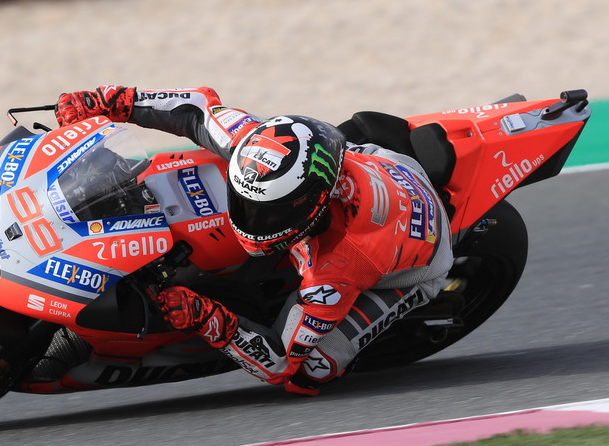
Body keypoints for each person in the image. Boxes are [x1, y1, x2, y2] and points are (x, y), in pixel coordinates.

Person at [55, 86, 454, 395]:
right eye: (247, 203)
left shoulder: (336, 268)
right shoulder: (253, 139)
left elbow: (279, 364)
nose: (251, 218)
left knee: (311, 374)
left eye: (269, 213)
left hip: (418, 263)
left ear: (311, 207)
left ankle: (408, 299)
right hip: (377, 163)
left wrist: (210, 319)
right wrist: (105, 100)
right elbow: (196, 107)